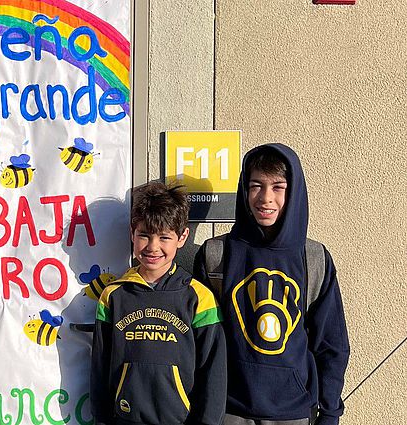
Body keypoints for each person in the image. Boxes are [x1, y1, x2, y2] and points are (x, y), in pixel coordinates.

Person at [193, 143, 350, 425]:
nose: (266, 198)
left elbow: (332, 345)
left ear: (294, 192)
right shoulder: (215, 255)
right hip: (227, 411)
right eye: (256, 185)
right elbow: (198, 343)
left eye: (278, 187)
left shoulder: (314, 259)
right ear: (244, 189)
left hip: (294, 413)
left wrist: (329, 412)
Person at [90, 182, 226, 425]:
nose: (153, 247)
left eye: (164, 237)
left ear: (182, 237)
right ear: (132, 233)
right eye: (144, 235)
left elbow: (213, 374)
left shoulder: (198, 298)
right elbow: (99, 368)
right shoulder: (114, 295)